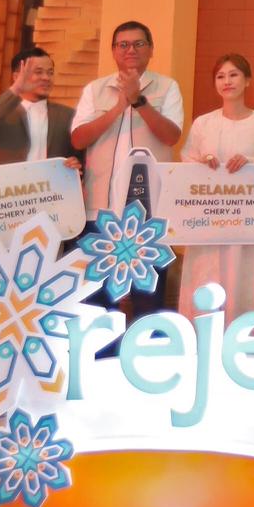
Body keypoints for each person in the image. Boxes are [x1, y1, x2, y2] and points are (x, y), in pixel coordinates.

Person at [71, 21, 183, 315]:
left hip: (150, 213)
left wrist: (139, 101)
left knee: (149, 296)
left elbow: (171, 136)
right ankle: (101, 345)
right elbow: (79, 138)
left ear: (151, 49)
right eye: (123, 44)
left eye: (138, 44)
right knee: (97, 298)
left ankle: (148, 343)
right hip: (101, 209)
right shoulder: (95, 89)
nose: (130, 50)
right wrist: (119, 107)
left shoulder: (168, 87)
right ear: (113, 51)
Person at [178, 54, 254, 322]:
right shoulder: (203, 124)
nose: (227, 81)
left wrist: (252, 162)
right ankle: (202, 336)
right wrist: (204, 164)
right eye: (220, 76)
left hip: (248, 223)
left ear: (247, 80)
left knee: (247, 280)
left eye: (234, 74)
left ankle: (249, 336)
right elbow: (186, 162)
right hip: (208, 222)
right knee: (206, 278)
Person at [0, 46, 82, 169]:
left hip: (52, 181)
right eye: (38, 72)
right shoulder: (1, 112)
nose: (46, 78)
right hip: (9, 180)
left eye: (50, 72)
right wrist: (16, 88)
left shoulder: (68, 115)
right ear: (16, 77)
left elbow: (82, 155)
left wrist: (76, 163)